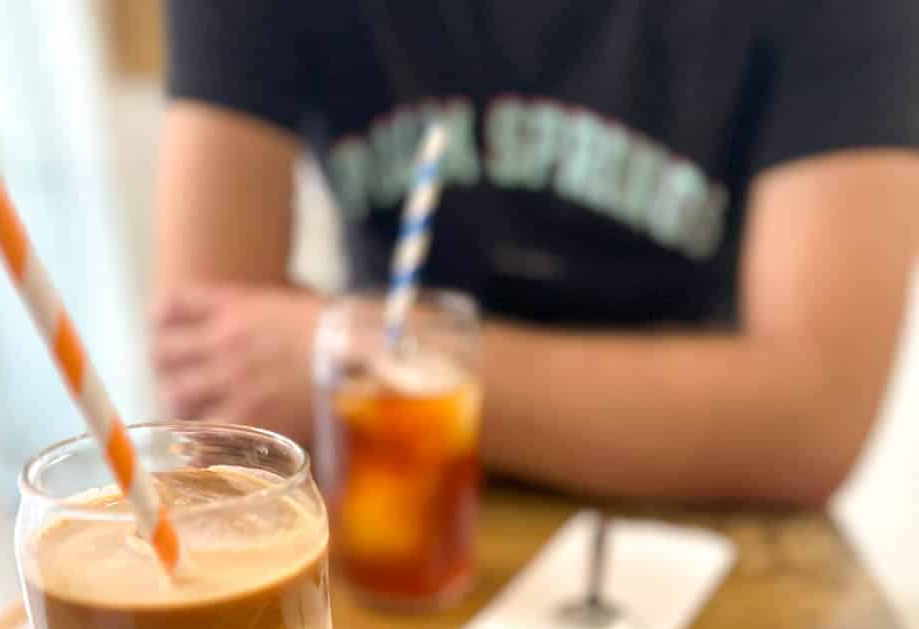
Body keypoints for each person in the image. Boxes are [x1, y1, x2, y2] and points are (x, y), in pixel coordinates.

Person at [153, 0, 919, 506]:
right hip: (396, 506)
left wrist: (383, 354)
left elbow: (812, 420)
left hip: (705, 526)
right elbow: (211, 372)